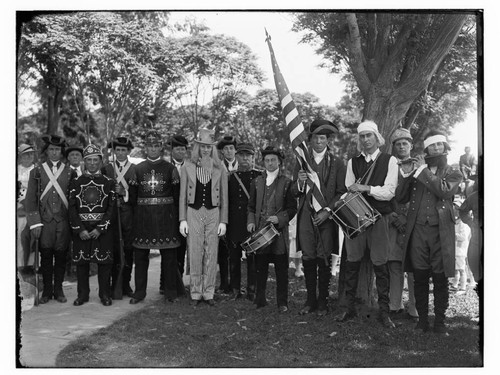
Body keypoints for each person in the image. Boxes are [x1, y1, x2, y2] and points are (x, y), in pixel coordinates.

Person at [396, 131, 462, 334]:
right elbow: (400, 197)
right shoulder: (418, 170)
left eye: (440, 145)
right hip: (417, 232)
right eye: (433, 146)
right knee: (420, 276)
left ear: (445, 148)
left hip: (441, 232)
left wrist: (422, 170)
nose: (436, 148)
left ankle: (440, 323)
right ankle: (422, 321)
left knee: (441, 278)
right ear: (426, 149)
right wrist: (407, 175)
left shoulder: (454, 171)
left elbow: (443, 190)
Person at [340, 120, 398, 329]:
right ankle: (349, 308)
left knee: (381, 265)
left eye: (369, 136)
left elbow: (389, 192)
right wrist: (356, 190)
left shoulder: (389, 160)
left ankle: (384, 312)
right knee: (352, 263)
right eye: (362, 136)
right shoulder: (353, 162)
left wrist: (365, 188)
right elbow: (348, 189)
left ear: (377, 137)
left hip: (380, 218)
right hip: (356, 218)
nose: (365, 140)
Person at [291, 119, 346, 316]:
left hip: (327, 217)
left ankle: (323, 301)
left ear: (327, 140)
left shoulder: (338, 163)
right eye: (316, 137)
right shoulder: (301, 161)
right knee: (308, 256)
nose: (319, 141)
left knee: (324, 257)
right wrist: (298, 182)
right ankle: (310, 300)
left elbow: (341, 192)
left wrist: (328, 210)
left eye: (323, 137)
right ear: (310, 139)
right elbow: (293, 192)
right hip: (306, 214)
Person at [129, 130, 182, 304]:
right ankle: (139, 293)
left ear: (160, 147)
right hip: (143, 219)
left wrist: (176, 219)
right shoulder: (137, 169)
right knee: (141, 257)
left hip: (166, 219)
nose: (153, 148)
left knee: (169, 257)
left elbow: (176, 197)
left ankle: (170, 291)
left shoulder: (170, 169)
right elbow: (133, 198)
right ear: (146, 147)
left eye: (156, 145)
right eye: (150, 145)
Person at [179, 127, 228, 306]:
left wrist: (223, 220)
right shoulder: (188, 166)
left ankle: (208, 292)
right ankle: (195, 292)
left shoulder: (219, 166)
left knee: (211, 252)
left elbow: (224, 197)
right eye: (203, 147)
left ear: (212, 148)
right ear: (197, 147)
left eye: (209, 147)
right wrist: (182, 219)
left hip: (213, 211)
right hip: (193, 211)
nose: (206, 150)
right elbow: (182, 196)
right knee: (195, 251)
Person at [247, 146, 297, 312]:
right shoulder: (256, 182)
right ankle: (260, 299)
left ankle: (282, 302)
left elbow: (292, 208)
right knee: (260, 268)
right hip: (261, 231)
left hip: (278, 233)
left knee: (281, 269)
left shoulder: (287, 182)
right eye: (267, 160)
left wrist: (280, 218)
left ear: (279, 162)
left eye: (273, 160)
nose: (270, 163)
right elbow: (251, 207)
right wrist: (250, 222)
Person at [25, 135, 74, 304]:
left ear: (61, 153)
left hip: (63, 221)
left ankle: (58, 290)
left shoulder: (70, 172)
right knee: (45, 255)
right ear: (47, 152)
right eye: (51, 149)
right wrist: (35, 223)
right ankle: (46, 290)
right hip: (44, 222)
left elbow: (73, 200)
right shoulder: (36, 171)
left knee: (61, 255)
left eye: (57, 150)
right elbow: (30, 199)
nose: (54, 152)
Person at [69, 144, 116, 306]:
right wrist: (79, 229)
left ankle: (105, 294)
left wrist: (100, 228)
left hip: (102, 229)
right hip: (82, 229)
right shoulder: (76, 182)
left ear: (101, 161)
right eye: (89, 160)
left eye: (96, 160)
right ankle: (82, 295)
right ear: (84, 162)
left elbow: (111, 208)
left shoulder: (109, 182)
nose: (92, 163)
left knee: (104, 264)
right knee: (82, 264)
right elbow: (72, 207)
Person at [388, 128, 418, 320]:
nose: (401, 146)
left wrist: (410, 219)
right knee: (394, 263)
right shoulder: (388, 166)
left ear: (411, 146)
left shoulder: (419, 165)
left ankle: (414, 307)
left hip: (415, 223)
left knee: (415, 265)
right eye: (398, 144)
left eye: (404, 143)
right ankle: (395, 304)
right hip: (392, 219)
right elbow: (384, 193)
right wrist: (394, 216)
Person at [102, 137, 137, 298]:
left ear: (129, 152)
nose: (121, 153)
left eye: (124, 150)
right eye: (118, 150)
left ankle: (126, 284)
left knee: (128, 250)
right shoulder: (106, 169)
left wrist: (125, 192)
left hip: (129, 216)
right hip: (111, 216)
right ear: (113, 152)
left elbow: (139, 194)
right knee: (113, 250)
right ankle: (112, 284)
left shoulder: (136, 169)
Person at [225, 142, 261, 299]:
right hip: (234, 222)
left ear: (253, 157)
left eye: (248, 155)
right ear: (237, 156)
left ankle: (252, 289)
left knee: (253, 258)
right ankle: (235, 289)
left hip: (251, 222)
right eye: (241, 155)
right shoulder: (230, 177)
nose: (245, 158)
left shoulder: (260, 176)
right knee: (234, 258)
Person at [158, 135, 190, 296]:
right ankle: (164, 284)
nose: (180, 151)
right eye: (177, 149)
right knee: (167, 250)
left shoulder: (190, 167)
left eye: (183, 149)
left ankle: (178, 282)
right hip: (167, 215)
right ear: (172, 151)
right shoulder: (164, 167)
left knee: (181, 249)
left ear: (186, 151)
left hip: (185, 215)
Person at [216, 134, 238, 293]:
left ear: (235, 150)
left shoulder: (244, 165)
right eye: (226, 149)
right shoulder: (217, 167)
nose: (229, 151)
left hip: (239, 214)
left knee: (236, 249)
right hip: (221, 212)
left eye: (231, 148)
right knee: (222, 249)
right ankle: (224, 282)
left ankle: (236, 283)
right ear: (222, 152)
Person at [17, 144, 36, 270]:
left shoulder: (38, 170)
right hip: (18, 208)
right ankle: (19, 266)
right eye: (26, 154)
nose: (29, 156)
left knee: (34, 237)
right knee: (19, 237)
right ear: (20, 156)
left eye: (31, 153)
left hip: (34, 208)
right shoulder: (15, 169)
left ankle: (32, 266)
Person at [451, 196, 470, 295]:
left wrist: (453, 235)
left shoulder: (463, 224)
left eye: (457, 209)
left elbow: (463, 237)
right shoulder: (456, 222)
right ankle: (455, 284)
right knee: (456, 269)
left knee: (462, 269)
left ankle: (462, 287)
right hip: (455, 250)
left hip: (460, 250)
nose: (455, 211)